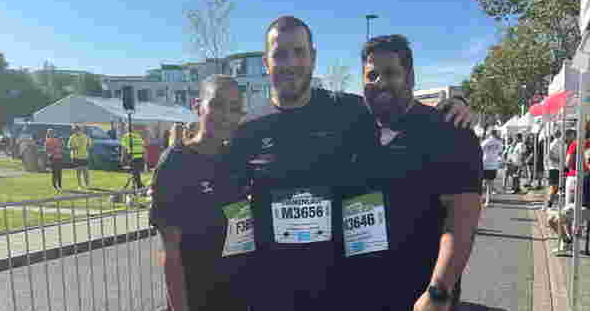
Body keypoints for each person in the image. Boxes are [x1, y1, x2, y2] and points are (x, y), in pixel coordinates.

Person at [227, 17, 474, 311]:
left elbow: (461, 214)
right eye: (280, 54)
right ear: (266, 62)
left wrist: (457, 103)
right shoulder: (247, 130)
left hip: (337, 288)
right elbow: (231, 204)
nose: (290, 63)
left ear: (313, 57)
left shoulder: (347, 110)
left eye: (299, 52)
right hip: (277, 289)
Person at [336, 35, 482, 311]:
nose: (380, 82)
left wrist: (438, 291)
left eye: (390, 73)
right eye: (372, 75)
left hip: (419, 298)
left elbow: (461, 223)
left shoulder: (450, 133)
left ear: (411, 77)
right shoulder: (353, 129)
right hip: (359, 293)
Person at [149, 75, 249, 311]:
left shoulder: (236, 160)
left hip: (238, 297)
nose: (226, 116)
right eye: (217, 105)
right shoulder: (175, 163)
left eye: (235, 109)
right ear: (197, 106)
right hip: (197, 300)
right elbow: (171, 255)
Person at [546, 130, 575, 209]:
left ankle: (551, 204)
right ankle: (548, 205)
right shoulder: (556, 142)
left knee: (559, 188)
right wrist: (559, 160)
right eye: (571, 136)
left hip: (561, 168)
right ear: (567, 135)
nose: (572, 138)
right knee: (555, 187)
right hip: (554, 168)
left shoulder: (565, 144)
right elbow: (549, 155)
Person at [120, 124, 146, 189]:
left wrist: (122, 159)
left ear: (127, 129)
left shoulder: (126, 137)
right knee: (136, 173)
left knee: (135, 173)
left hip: (133, 158)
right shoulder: (138, 136)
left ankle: (139, 186)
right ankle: (135, 185)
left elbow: (124, 149)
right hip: (141, 158)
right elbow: (143, 147)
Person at [481, 130, 503, 206]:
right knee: (489, 184)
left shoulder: (485, 142)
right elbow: (500, 153)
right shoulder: (499, 143)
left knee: (483, 182)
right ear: (495, 134)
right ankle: (487, 200)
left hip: (485, 164)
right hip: (493, 165)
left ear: (490, 134)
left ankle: (481, 199)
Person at [68, 125, 92, 190]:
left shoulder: (86, 136)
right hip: (75, 157)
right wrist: (74, 148)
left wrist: (88, 146)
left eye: (76, 130)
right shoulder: (72, 137)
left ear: (79, 130)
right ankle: (79, 185)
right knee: (78, 171)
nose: (75, 131)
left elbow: (89, 145)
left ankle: (87, 185)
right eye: (74, 130)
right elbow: (69, 146)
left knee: (85, 171)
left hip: (84, 156)